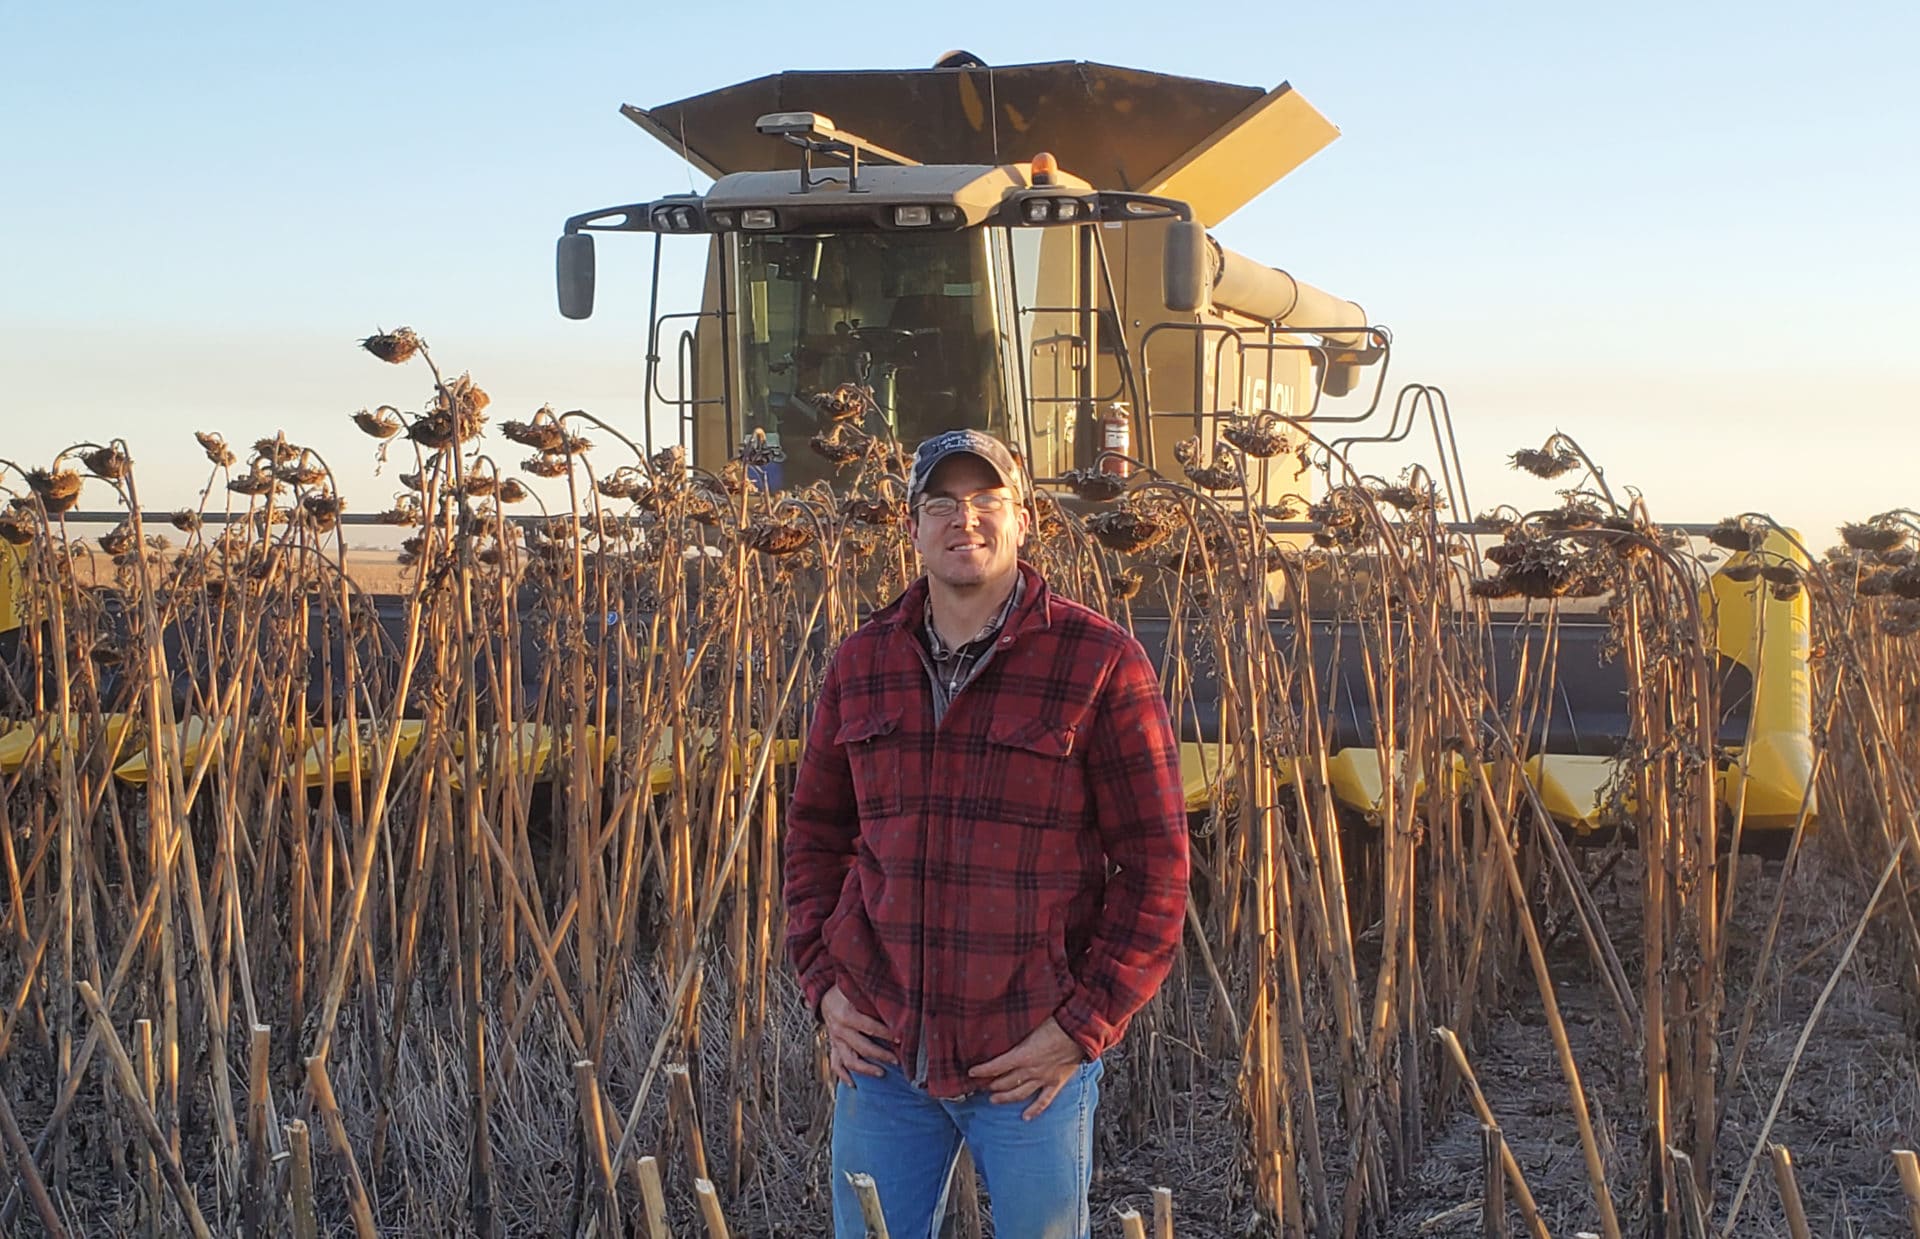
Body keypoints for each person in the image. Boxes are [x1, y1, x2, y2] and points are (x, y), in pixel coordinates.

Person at [784, 429, 1190, 1238]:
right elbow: (815, 836)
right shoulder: (860, 661)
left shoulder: (1101, 662)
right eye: (941, 502)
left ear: (1024, 518)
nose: (963, 519)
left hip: (1028, 1060)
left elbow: (1157, 869)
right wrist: (825, 982)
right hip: (884, 1050)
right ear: (912, 527)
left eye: (985, 500)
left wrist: (1081, 1027)